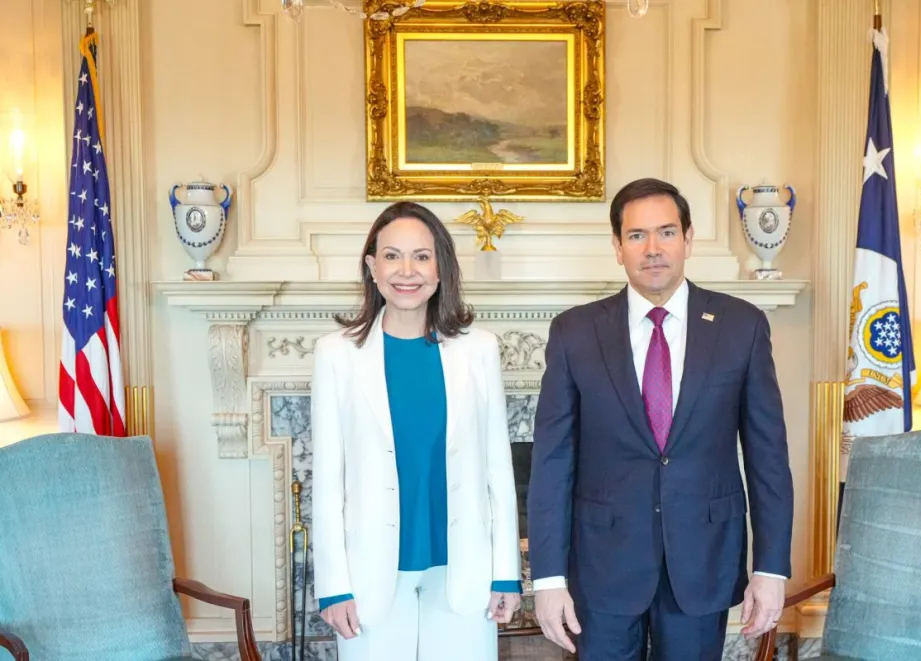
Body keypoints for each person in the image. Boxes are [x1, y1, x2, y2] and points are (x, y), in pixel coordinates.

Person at [527, 178, 794, 660]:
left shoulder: (742, 326)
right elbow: (551, 463)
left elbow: (768, 459)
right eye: (636, 236)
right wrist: (547, 578)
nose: (653, 249)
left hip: (702, 563)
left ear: (688, 239)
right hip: (601, 569)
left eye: (666, 233)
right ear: (617, 246)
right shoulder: (574, 332)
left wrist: (770, 569)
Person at [311, 201, 522, 661]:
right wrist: (332, 586)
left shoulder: (480, 350)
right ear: (371, 266)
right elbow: (326, 484)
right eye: (392, 256)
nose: (407, 271)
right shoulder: (335, 355)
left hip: (463, 571)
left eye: (422, 257)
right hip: (370, 577)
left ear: (441, 268)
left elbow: (498, 474)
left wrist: (506, 572)